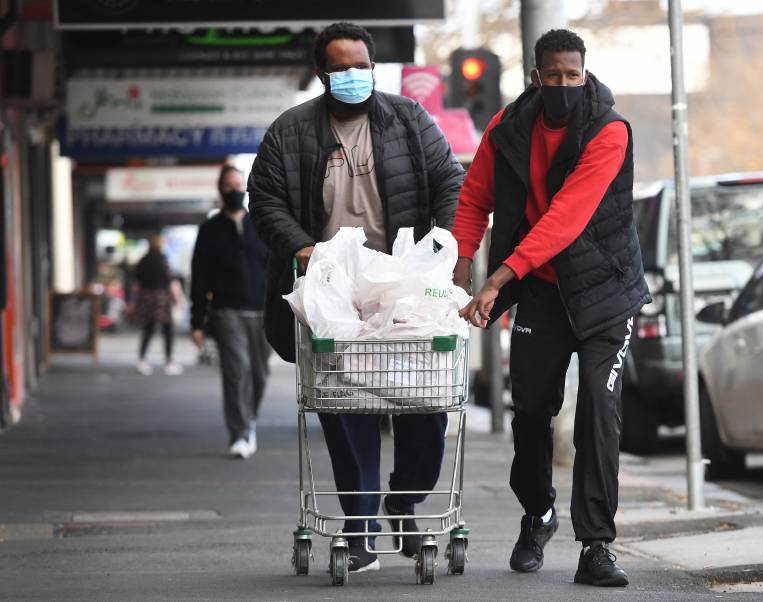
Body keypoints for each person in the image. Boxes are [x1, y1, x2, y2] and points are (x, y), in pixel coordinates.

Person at [248, 22, 463, 573]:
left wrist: (448, 247)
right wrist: (302, 251)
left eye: (362, 65)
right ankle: (362, 525)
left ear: (374, 66)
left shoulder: (410, 121)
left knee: (426, 403)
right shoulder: (291, 131)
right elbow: (265, 197)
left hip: (401, 287)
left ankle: (405, 500)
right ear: (322, 73)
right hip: (332, 291)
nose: (353, 76)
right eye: (341, 68)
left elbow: (448, 181)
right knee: (346, 412)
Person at [451, 29, 650, 587]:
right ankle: (537, 513)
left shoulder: (608, 131)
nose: (564, 84)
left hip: (606, 292)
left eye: (574, 75)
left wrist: (498, 278)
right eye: (554, 75)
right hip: (541, 290)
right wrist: (460, 263)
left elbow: (567, 216)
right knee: (532, 411)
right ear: (535, 76)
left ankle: (596, 545)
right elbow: (475, 197)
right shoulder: (509, 126)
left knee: (597, 410)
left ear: (585, 73)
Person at [190, 165, 271, 460]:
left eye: (239, 185)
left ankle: (249, 419)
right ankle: (240, 432)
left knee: (260, 374)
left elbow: (275, 271)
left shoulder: (261, 227)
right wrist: (197, 321)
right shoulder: (209, 231)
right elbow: (199, 277)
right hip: (227, 312)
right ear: (220, 189)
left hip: (262, 312)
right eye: (229, 185)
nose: (234, 191)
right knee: (237, 371)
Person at [133, 235, 182, 376]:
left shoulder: (143, 260)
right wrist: (177, 299)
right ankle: (169, 361)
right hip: (162, 298)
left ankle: (142, 359)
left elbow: (137, 280)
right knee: (167, 329)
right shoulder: (163, 259)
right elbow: (170, 279)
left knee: (148, 329)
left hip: (147, 298)